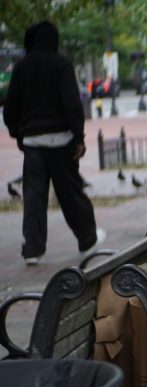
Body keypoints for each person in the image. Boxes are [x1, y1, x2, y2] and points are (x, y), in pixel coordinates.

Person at [3, 21, 104, 266]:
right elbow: (72, 104)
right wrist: (78, 137)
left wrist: (18, 134)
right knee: (70, 193)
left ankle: (33, 249)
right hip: (61, 141)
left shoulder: (21, 67)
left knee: (34, 197)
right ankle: (87, 239)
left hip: (33, 143)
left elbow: (10, 108)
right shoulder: (62, 65)